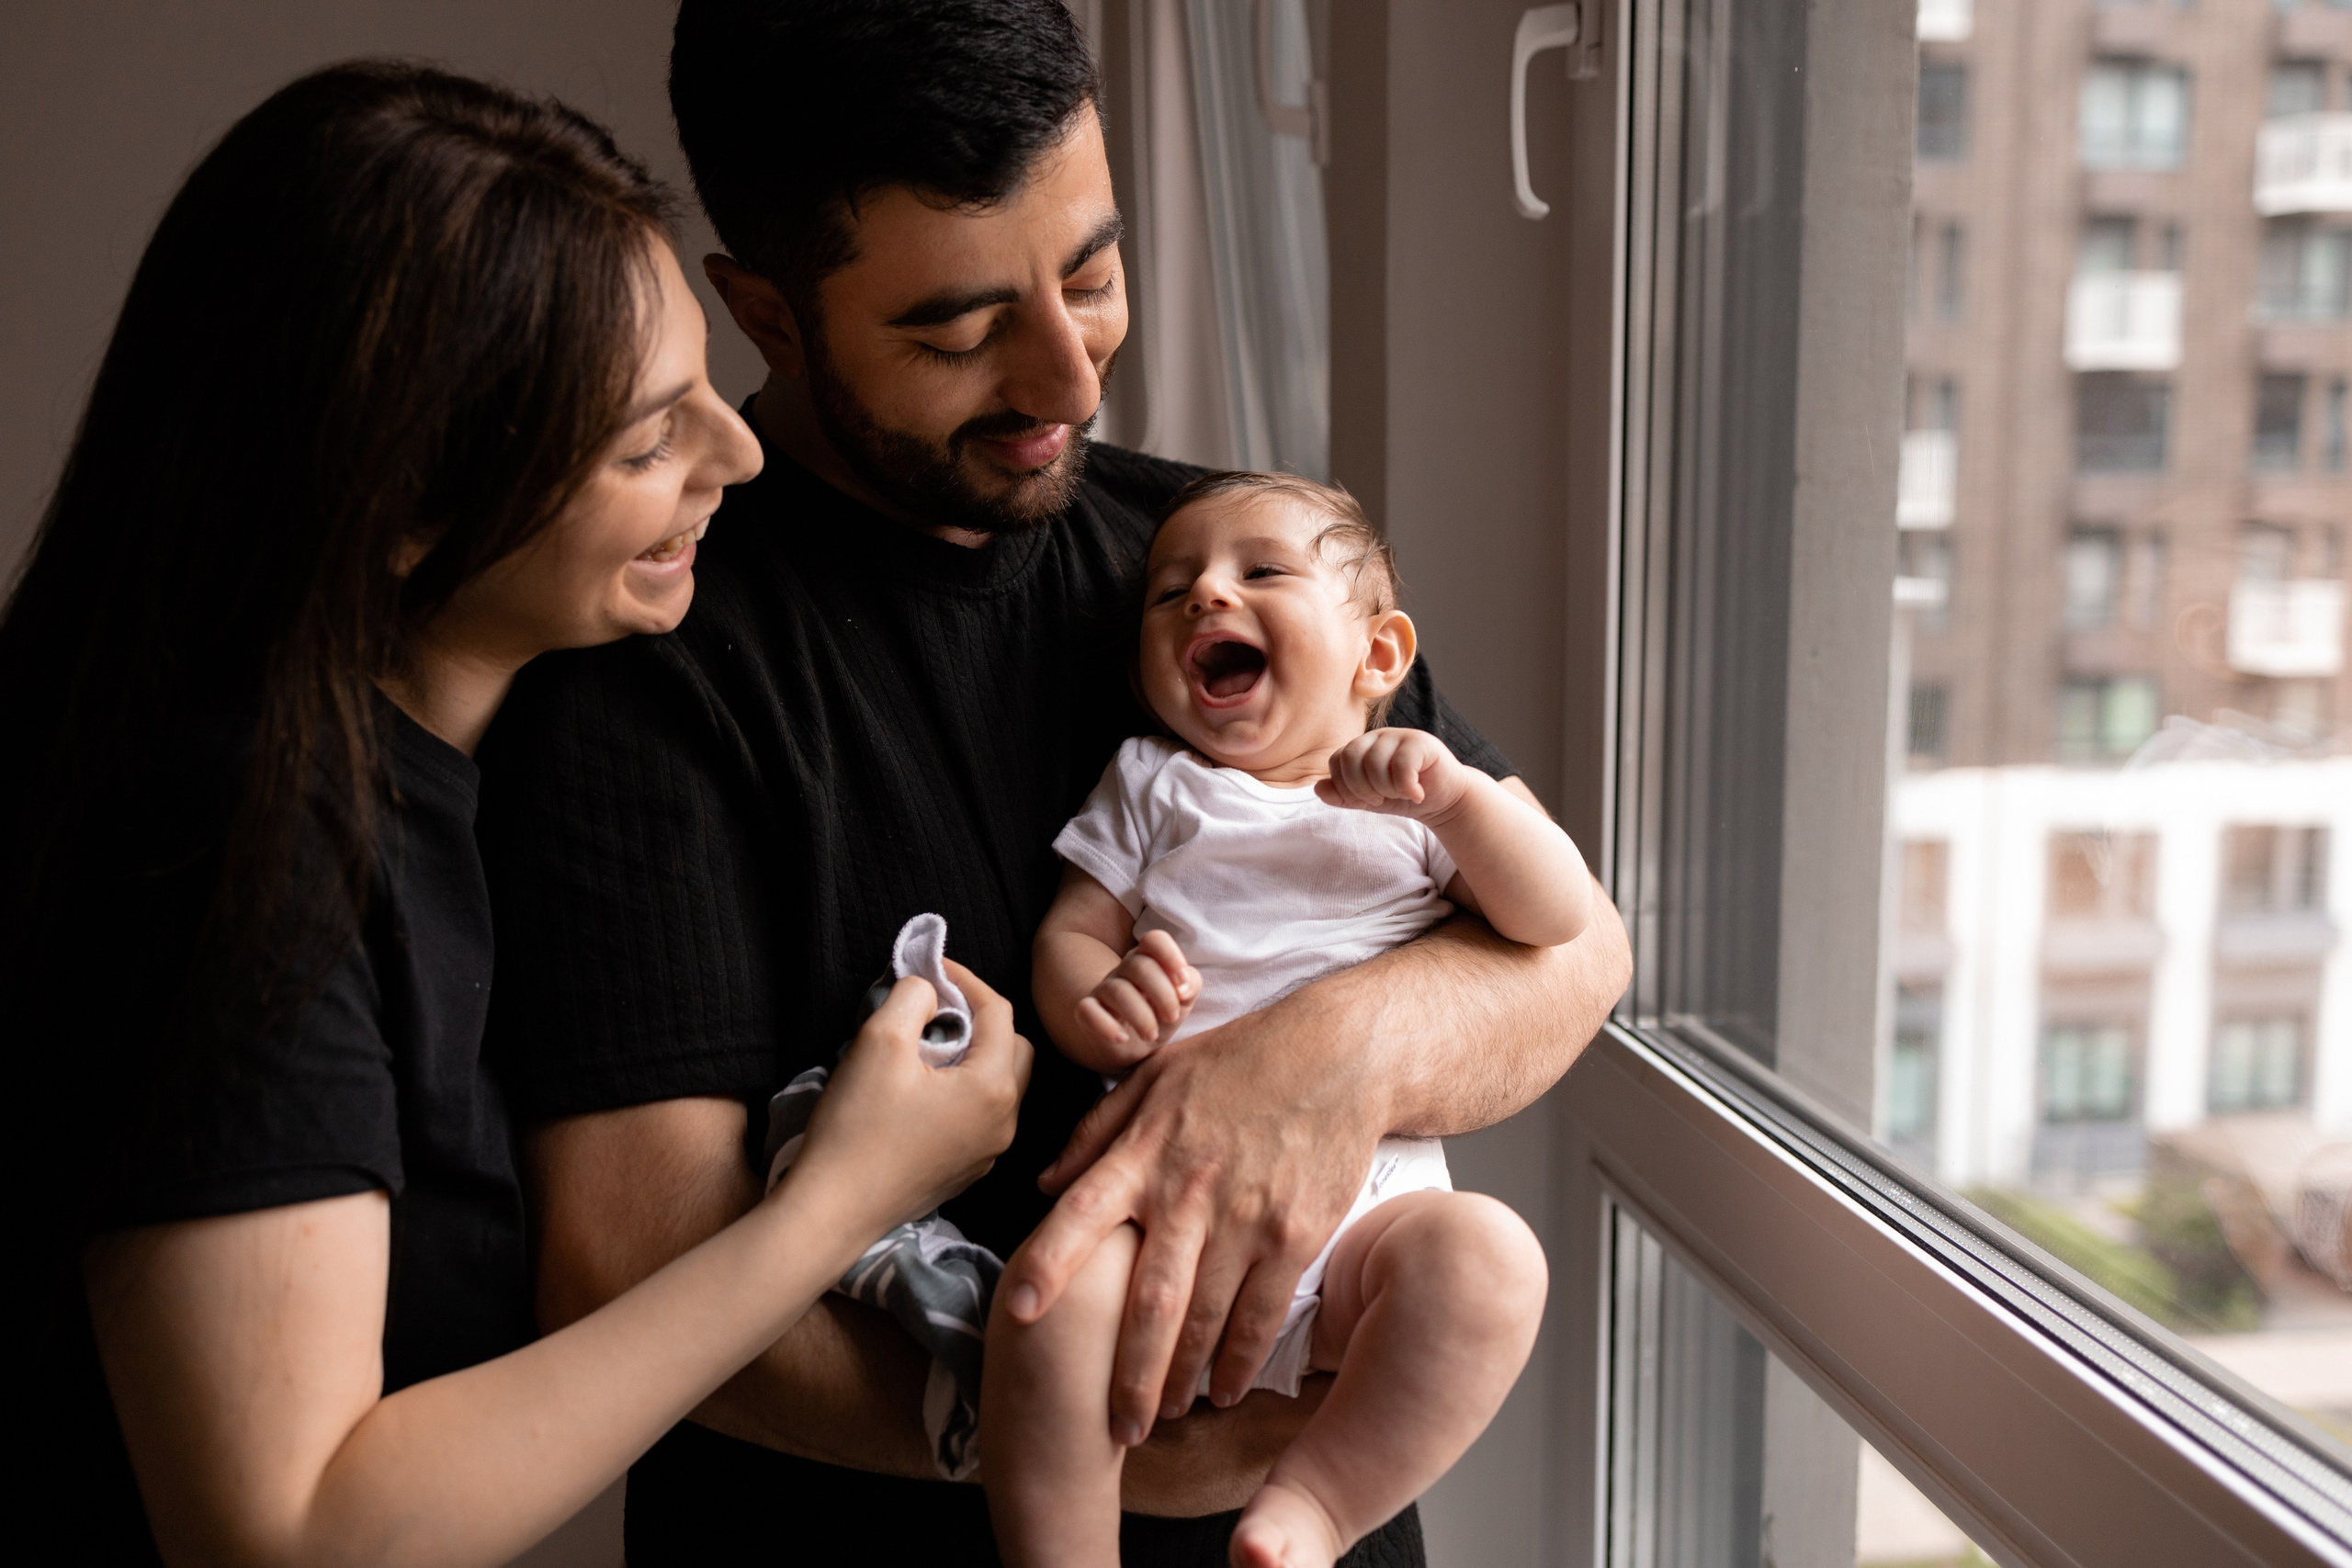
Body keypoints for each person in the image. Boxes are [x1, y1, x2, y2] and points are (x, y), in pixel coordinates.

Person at [475, 2, 1633, 1562]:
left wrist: (1334, 1051)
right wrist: (1065, 1446)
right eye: (958, 330)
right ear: (768, 311)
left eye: (1091, 275)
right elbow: (628, 1261)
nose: (1069, 381)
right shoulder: (642, 660)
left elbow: (1573, 955)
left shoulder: (1232, 569)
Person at [9, 62, 1027, 1568]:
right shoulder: (243, 843)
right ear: (406, 507)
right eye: (644, 442)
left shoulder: (446, 763)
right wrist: (841, 1204)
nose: (735, 456)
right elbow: (289, 1530)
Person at [989, 472, 1581, 1567]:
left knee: (1491, 1266)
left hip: (1373, 1219)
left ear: (1379, 657)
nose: (1206, 598)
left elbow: (1560, 918)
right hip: (1161, 1205)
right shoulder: (1156, 785)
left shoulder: (1416, 803)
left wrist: (1460, 799)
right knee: (1044, 1306)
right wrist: (1091, 1004)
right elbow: (1075, 931)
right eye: (1170, 595)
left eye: (1261, 572)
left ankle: (1315, 1505)